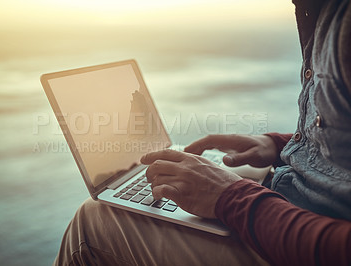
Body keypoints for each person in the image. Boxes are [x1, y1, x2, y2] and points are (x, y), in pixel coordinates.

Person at [54, 0, 351, 265]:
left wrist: (231, 198)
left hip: (302, 241)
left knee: (93, 221)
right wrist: (281, 147)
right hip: (291, 202)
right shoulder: (326, 10)